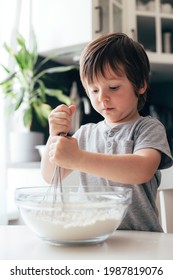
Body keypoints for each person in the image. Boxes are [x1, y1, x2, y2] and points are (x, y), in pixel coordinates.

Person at [41, 32, 173, 232]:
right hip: (90, 235)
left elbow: (141, 169)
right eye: (94, 90)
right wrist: (54, 137)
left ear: (141, 85)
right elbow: (51, 176)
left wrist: (77, 158)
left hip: (141, 239)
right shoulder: (85, 133)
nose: (103, 98)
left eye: (113, 87)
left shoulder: (148, 128)